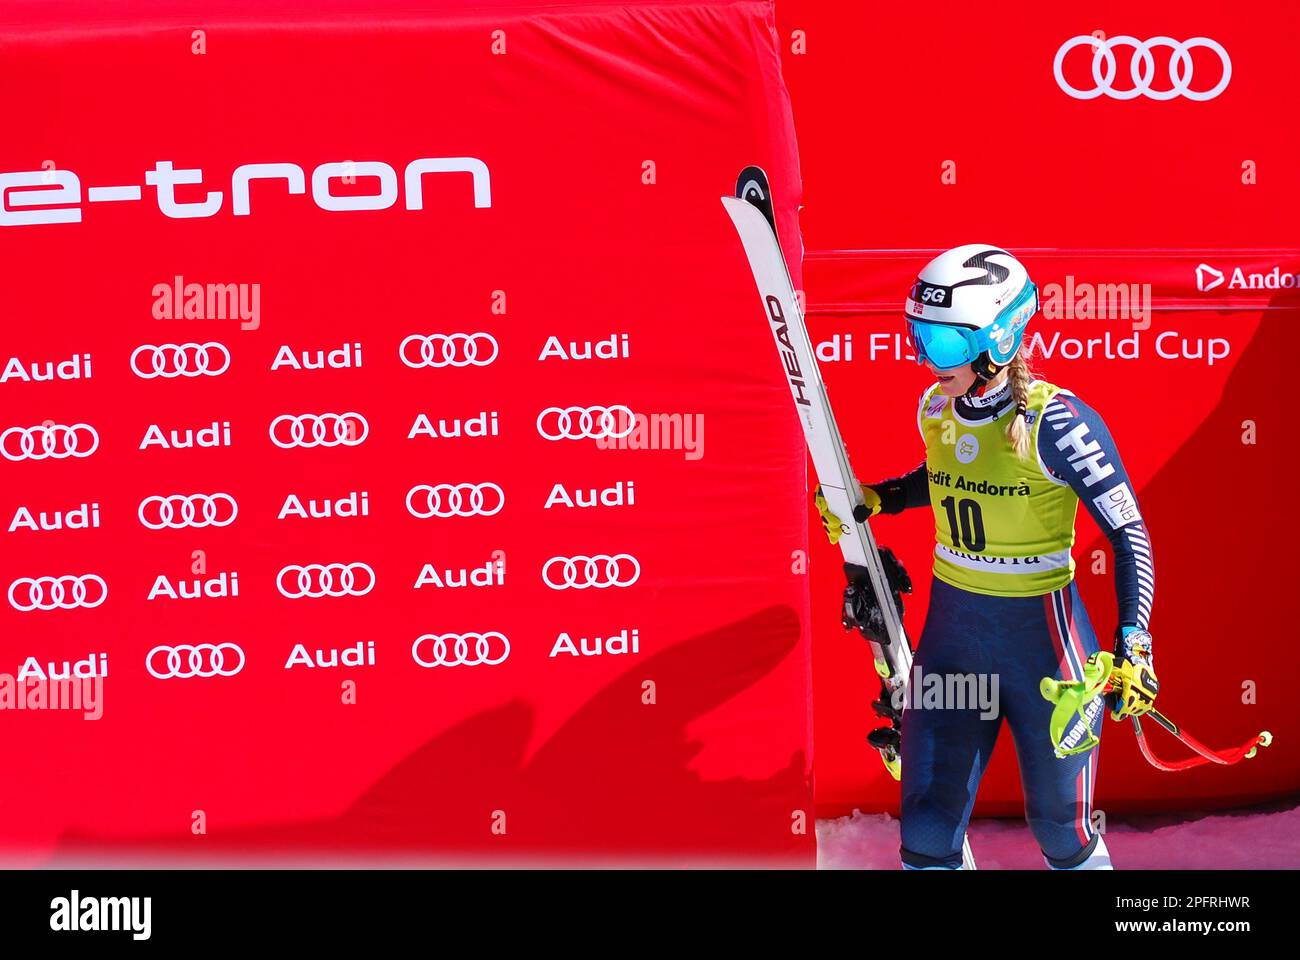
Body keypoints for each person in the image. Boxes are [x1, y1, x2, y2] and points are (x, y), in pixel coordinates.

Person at [816, 245, 1158, 870]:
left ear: (998, 339)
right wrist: (880, 498)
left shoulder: (1058, 422)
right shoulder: (936, 408)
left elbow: (1129, 532)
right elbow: (948, 478)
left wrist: (1135, 642)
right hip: (955, 641)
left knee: (1061, 828)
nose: (924, 360)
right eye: (918, 338)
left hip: (1046, 654)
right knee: (925, 829)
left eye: (943, 345)